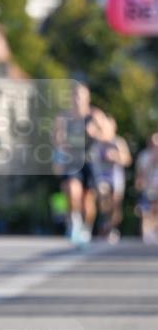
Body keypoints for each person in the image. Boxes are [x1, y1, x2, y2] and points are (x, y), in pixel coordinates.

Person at [52, 83, 99, 244]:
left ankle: (87, 227)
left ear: (87, 98)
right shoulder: (63, 118)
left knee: (88, 202)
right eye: (75, 95)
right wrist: (57, 157)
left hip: (89, 162)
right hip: (71, 162)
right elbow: (56, 140)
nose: (77, 99)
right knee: (73, 191)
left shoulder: (94, 116)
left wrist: (95, 133)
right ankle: (74, 222)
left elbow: (107, 135)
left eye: (81, 96)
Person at [90, 113, 131, 242]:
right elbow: (93, 162)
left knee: (115, 204)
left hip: (116, 177)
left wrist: (116, 156)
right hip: (102, 177)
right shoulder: (97, 145)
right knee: (103, 195)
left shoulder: (118, 142)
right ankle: (104, 224)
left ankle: (112, 227)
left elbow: (127, 160)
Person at [135, 132, 158, 244]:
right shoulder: (144, 156)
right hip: (148, 187)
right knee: (146, 210)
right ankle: (147, 234)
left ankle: (154, 231)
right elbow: (141, 172)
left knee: (155, 209)